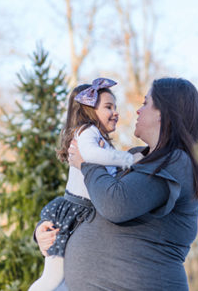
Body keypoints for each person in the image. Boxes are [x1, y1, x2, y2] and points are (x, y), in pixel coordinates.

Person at [35, 77, 198, 290]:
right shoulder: (135, 158)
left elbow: (115, 204)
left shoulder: (175, 162)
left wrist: (88, 163)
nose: (138, 110)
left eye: (146, 103)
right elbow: (86, 203)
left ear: (163, 113)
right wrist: (46, 229)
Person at [30, 78, 143, 291]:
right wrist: (128, 160)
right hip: (75, 211)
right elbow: (90, 155)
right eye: (108, 107)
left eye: (115, 107)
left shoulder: (99, 139)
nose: (115, 112)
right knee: (53, 278)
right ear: (89, 111)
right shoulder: (86, 131)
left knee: (66, 282)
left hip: (85, 213)